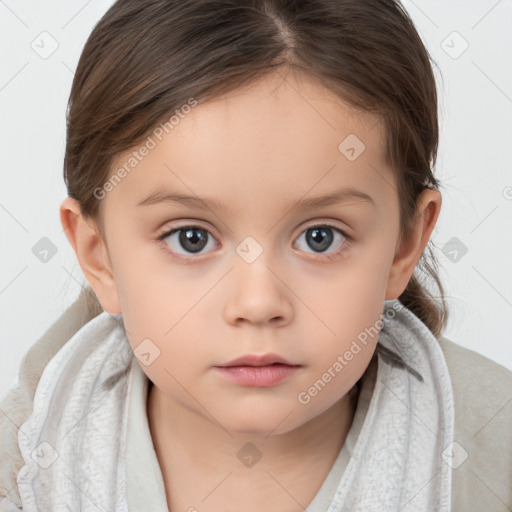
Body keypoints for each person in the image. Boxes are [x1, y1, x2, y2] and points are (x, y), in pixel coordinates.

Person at [1, 1, 511, 511]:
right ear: (100, 257)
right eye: (191, 239)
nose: (258, 302)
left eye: (320, 238)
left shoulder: (492, 459)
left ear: (404, 245)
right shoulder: (29, 461)